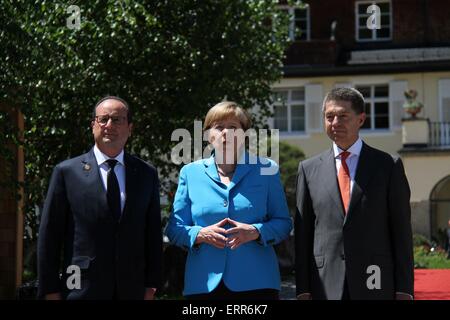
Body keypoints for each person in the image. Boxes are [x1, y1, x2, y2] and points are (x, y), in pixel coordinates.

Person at [37, 96, 163, 300]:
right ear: (93, 125)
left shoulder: (146, 173)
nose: (109, 125)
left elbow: (153, 233)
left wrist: (152, 286)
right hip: (80, 288)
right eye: (103, 119)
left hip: (132, 289)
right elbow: (50, 235)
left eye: (117, 120)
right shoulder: (67, 172)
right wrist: (50, 290)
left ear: (130, 128)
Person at [295, 88, 414, 300]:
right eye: (329, 117)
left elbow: (401, 230)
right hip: (325, 282)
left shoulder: (387, 166)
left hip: (375, 279)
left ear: (361, 119)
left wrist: (404, 289)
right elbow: (303, 233)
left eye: (343, 116)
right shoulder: (308, 169)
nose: (335, 123)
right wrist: (303, 288)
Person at [166, 101, 292, 300]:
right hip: (203, 285)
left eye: (233, 127)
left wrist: (256, 231)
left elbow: (284, 223)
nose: (226, 133)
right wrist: (200, 234)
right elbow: (174, 228)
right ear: (208, 135)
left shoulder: (266, 169)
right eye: (218, 127)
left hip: (257, 284)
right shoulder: (190, 173)